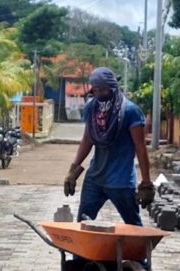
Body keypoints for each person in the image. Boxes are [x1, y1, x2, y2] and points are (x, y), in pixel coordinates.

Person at [63, 67, 154, 226]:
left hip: (121, 181)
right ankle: (80, 252)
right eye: (96, 89)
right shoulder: (92, 108)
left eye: (103, 89)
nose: (99, 93)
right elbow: (87, 139)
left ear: (112, 87)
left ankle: (139, 251)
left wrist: (146, 182)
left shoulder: (130, 111)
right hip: (95, 179)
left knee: (133, 227)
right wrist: (73, 170)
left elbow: (140, 147)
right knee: (83, 224)